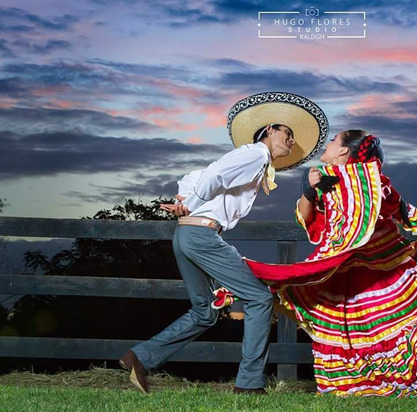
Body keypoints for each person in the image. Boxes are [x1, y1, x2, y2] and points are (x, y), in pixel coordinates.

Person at [237, 130, 417, 398]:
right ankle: (352, 383)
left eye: (334, 140)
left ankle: (405, 379)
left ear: (344, 152)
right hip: (342, 271)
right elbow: (307, 217)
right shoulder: (324, 178)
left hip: (381, 266)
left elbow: (403, 211)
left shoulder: (373, 185)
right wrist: (308, 191)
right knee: (345, 328)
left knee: (398, 321)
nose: (328, 145)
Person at [119, 92, 328, 394]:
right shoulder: (255, 154)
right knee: (259, 299)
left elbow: (198, 174)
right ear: (269, 129)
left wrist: (185, 198)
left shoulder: (253, 160)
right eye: (287, 132)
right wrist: (191, 201)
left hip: (186, 236)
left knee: (205, 311)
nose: (291, 140)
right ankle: (250, 384)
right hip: (202, 236)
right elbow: (215, 174)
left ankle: (141, 357)